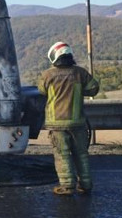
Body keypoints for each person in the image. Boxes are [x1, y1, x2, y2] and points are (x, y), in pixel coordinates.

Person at [37, 42, 100, 196]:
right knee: (81, 153)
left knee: (62, 154)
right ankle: (85, 184)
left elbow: (41, 90)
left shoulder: (48, 75)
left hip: (57, 124)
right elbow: (94, 88)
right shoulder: (80, 73)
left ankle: (67, 186)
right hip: (78, 123)